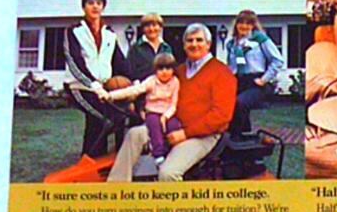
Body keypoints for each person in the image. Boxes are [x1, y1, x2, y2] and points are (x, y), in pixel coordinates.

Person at [108, 24, 236, 182]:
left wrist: (185, 134)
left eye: (199, 40)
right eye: (189, 40)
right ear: (184, 45)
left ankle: (174, 199)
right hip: (170, 125)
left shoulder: (222, 73)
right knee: (135, 134)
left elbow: (221, 116)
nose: (194, 44)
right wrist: (142, 107)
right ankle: (115, 188)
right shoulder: (178, 71)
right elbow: (156, 89)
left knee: (168, 173)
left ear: (208, 44)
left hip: (202, 135)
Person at [64, 0, 131, 157]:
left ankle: (107, 159)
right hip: (79, 87)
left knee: (116, 118)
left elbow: (119, 61)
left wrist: (134, 81)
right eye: (90, 3)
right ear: (84, 7)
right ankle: (90, 159)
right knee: (104, 119)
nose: (95, 6)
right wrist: (93, 84)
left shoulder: (109, 33)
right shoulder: (73, 31)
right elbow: (74, 61)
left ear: (103, 7)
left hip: (103, 88)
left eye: (98, 3)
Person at [101, 51, 183, 167]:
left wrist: (166, 116)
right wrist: (111, 95)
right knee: (155, 127)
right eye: (160, 69)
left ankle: (172, 154)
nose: (164, 72)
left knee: (174, 126)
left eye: (168, 68)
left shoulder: (175, 82)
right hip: (153, 112)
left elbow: (174, 104)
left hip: (168, 112)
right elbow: (134, 90)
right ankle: (158, 155)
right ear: (155, 70)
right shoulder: (151, 81)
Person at [224, 9, 284, 134]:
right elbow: (230, 66)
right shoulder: (231, 44)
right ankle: (239, 134)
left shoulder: (260, 40)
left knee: (240, 102)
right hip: (238, 82)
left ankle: (236, 135)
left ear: (253, 25)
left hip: (256, 83)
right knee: (224, 103)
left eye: (248, 23)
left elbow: (277, 60)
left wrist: (264, 79)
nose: (244, 26)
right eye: (241, 23)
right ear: (236, 25)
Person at [125, 12, 174, 82]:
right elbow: (129, 71)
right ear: (143, 29)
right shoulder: (135, 48)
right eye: (147, 26)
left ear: (160, 28)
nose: (151, 29)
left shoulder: (166, 48)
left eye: (154, 25)